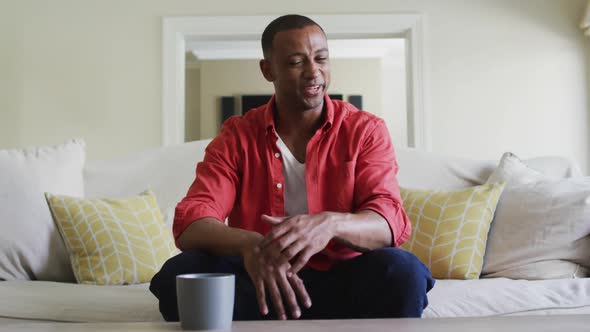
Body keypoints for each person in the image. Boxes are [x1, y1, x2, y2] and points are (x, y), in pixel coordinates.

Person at [150, 14, 434, 321]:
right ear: (267, 69)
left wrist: (330, 225)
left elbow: (388, 222)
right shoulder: (238, 135)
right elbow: (193, 221)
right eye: (296, 62)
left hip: (343, 279)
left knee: (403, 272)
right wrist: (252, 246)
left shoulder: (365, 130)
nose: (314, 72)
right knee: (179, 275)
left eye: (321, 58)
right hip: (260, 279)